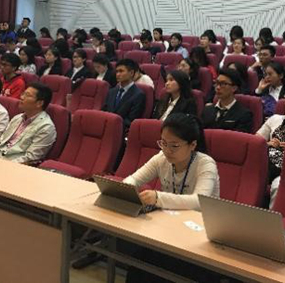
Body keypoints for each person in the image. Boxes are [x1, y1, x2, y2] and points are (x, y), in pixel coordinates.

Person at [123, 113, 220, 283]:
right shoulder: (161, 158)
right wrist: (125, 189)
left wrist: (158, 197)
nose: (167, 150)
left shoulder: (205, 164)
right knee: (139, 265)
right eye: (163, 143)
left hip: (200, 233)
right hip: (170, 227)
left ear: (192, 145)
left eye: (174, 146)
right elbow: (133, 180)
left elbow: (199, 202)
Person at [0, 84, 56, 164]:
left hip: (14, 165)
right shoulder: (17, 118)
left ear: (39, 103)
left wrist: (4, 165)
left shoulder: (46, 127)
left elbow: (31, 158)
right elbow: (0, 143)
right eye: (23, 94)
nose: (21, 97)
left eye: (27, 95)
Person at [201, 68, 253, 133]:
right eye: (217, 83)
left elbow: (240, 138)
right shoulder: (207, 110)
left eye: (223, 84)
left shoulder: (244, 115)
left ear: (234, 88)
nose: (218, 87)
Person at [103, 59, 146, 133]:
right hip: (105, 127)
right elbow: (104, 110)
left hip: (121, 131)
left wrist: (112, 123)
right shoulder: (111, 91)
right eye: (117, 71)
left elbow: (131, 120)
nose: (117, 74)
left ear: (131, 73)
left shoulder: (138, 95)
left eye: (121, 71)